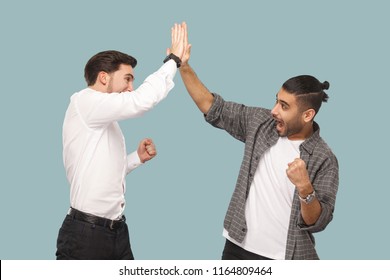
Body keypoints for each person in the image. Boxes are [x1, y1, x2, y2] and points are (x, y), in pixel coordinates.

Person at [179, 25, 339, 260]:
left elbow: (318, 221)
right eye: (277, 101)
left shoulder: (325, 158)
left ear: (307, 115)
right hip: (237, 247)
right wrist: (183, 66)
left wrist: (305, 187)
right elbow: (213, 107)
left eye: (284, 106)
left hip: (285, 257)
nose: (274, 111)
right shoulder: (260, 123)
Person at [56, 23, 187, 260]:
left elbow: (103, 173)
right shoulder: (84, 102)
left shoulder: (104, 119)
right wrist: (173, 60)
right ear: (104, 77)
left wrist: (136, 159)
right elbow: (142, 101)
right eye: (127, 79)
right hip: (87, 234)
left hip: (115, 231)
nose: (130, 87)